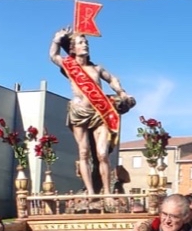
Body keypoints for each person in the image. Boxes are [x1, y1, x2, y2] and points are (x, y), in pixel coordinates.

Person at [49, 27, 136, 195]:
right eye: (81, 42)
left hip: (99, 112)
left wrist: (121, 92)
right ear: (73, 48)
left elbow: (112, 79)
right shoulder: (69, 66)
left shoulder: (96, 68)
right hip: (79, 111)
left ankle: (107, 193)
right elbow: (53, 56)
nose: (85, 45)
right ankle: (90, 193)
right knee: (83, 152)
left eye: (86, 42)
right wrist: (57, 39)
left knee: (102, 153)